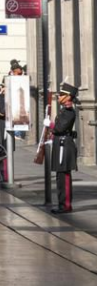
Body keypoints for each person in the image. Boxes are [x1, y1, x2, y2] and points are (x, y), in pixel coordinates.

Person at [47, 82, 79, 214]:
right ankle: (61, 203)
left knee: (64, 177)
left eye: (62, 95)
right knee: (60, 176)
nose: (59, 97)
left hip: (64, 146)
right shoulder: (64, 110)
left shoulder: (69, 112)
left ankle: (66, 205)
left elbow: (60, 128)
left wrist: (50, 125)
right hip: (60, 144)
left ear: (68, 97)